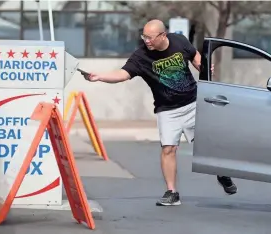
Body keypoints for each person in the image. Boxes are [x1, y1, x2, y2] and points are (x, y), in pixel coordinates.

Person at [86, 19, 237, 206]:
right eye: (144, 37)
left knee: (207, 145)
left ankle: (222, 173)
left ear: (163, 35)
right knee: (168, 148)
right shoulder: (141, 56)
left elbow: (194, 55)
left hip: (192, 103)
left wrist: (201, 65)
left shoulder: (179, 41)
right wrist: (100, 77)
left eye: (150, 38)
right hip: (167, 110)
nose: (146, 41)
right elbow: (123, 74)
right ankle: (172, 193)